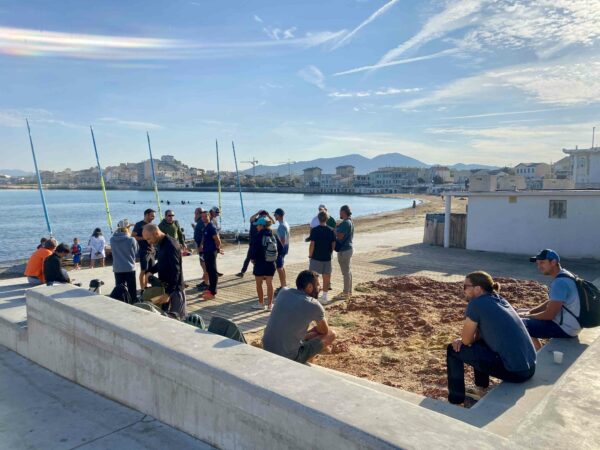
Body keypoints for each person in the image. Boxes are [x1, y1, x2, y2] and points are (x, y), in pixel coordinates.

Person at [446, 271, 536, 405]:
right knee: (479, 343)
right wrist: (469, 339)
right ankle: (480, 388)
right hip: (530, 368)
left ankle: (455, 400)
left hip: (516, 372)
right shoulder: (499, 299)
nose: (463, 289)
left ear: (478, 289)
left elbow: (466, 341)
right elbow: (480, 335)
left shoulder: (476, 304)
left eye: (465, 286)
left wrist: (461, 340)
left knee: (453, 350)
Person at [262, 270, 336, 363]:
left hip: (267, 348)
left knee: (308, 334)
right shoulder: (313, 304)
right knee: (331, 334)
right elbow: (324, 331)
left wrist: (310, 334)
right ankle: (306, 361)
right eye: (317, 285)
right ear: (309, 287)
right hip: (288, 357)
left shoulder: (283, 292)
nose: (320, 288)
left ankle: (308, 355)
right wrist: (314, 332)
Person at [519, 249, 581, 350]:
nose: (539, 267)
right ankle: (538, 349)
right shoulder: (566, 275)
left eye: (542, 263)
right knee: (521, 312)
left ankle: (537, 353)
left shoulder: (559, 283)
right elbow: (552, 301)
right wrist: (530, 311)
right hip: (573, 325)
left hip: (565, 329)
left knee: (520, 322)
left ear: (553, 262)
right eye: (538, 264)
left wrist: (529, 315)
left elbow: (549, 315)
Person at [142, 224, 186, 319]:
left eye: (149, 239)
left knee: (178, 320)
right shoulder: (161, 243)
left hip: (175, 290)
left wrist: (168, 293)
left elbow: (176, 271)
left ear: (156, 233)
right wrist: (150, 271)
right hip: (165, 288)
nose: (149, 242)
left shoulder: (171, 245)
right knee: (165, 318)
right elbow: (162, 262)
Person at [309, 211, 336, 304]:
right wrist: (330, 252)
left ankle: (313, 295)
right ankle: (324, 297)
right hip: (327, 257)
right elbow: (333, 243)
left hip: (316, 257)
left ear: (318, 219)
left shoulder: (315, 230)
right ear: (327, 219)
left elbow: (312, 244)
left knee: (313, 277)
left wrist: (310, 254)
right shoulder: (331, 230)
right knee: (326, 277)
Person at [249, 217, 277, 311]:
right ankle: (270, 305)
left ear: (262, 226)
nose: (256, 227)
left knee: (259, 284)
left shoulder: (258, 236)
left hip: (260, 263)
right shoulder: (272, 234)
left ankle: (261, 303)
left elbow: (253, 250)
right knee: (270, 284)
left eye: (257, 225)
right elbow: (279, 248)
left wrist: (252, 259)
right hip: (270, 262)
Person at [110, 219, 139, 303]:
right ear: (128, 228)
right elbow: (136, 252)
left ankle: (121, 302)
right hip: (129, 267)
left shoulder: (112, 239)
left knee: (119, 288)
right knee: (132, 289)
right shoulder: (131, 240)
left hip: (117, 267)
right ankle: (133, 302)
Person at [236, 210, 271, 278]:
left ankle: (260, 273)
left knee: (255, 259)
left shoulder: (264, 223)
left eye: (265, 216)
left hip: (258, 244)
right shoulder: (255, 221)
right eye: (263, 215)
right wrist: (257, 213)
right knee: (249, 258)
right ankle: (243, 272)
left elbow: (272, 222)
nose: (264, 217)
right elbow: (251, 218)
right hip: (252, 243)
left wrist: (268, 215)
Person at [199, 210, 223, 300]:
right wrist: (201, 245)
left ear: (209, 217)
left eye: (206, 216)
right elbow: (205, 238)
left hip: (211, 252)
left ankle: (213, 292)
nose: (204, 218)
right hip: (206, 251)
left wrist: (217, 249)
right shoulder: (206, 227)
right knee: (209, 270)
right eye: (203, 217)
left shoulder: (211, 227)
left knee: (213, 271)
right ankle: (210, 289)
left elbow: (218, 240)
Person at [132, 208, 156, 290]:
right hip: (143, 250)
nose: (153, 218)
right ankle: (142, 289)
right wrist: (144, 238)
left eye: (154, 216)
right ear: (146, 215)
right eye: (152, 216)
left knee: (151, 271)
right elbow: (133, 236)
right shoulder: (139, 224)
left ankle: (147, 287)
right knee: (143, 270)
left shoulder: (152, 225)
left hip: (152, 251)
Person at [335, 205, 354, 298]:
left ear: (343, 212)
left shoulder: (346, 223)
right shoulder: (349, 222)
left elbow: (340, 236)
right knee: (348, 271)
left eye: (340, 211)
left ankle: (346, 292)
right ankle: (348, 291)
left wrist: (334, 230)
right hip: (348, 249)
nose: (339, 213)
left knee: (345, 272)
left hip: (345, 250)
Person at [274, 208, 290, 294]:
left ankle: (283, 287)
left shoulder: (281, 226)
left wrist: (278, 250)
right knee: (281, 266)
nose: (274, 216)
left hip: (281, 249)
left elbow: (282, 239)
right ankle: (283, 285)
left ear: (279, 215)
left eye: (275, 214)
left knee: (279, 267)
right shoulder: (286, 223)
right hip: (285, 247)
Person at [192, 207, 209, 291]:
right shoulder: (200, 222)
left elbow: (204, 235)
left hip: (203, 248)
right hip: (202, 247)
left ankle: (207, 283)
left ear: (198, 214)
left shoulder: (201, 222)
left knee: (204, 265)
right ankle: (205, 281)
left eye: (195, 213)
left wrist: (201, 245)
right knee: (203, 264)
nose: (194, 215)